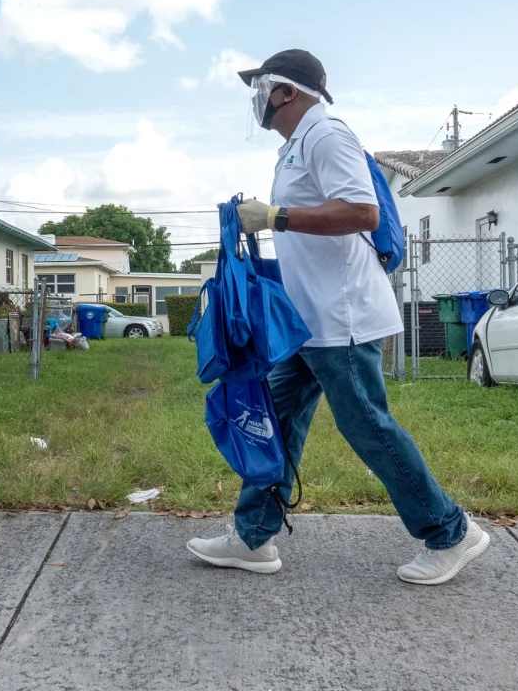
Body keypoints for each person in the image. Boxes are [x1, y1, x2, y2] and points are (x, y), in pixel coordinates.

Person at [186, 50, 488, 585]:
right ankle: (253, 537)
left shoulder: (326, 135)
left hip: (341, 319)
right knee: (275, 421)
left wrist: (275, 215)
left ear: (287, 91)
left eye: (262, 88)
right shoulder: (294, 149)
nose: (257, 99)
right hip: (308, 321)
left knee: (367, 426)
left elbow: (361, 211)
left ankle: (450, 531)